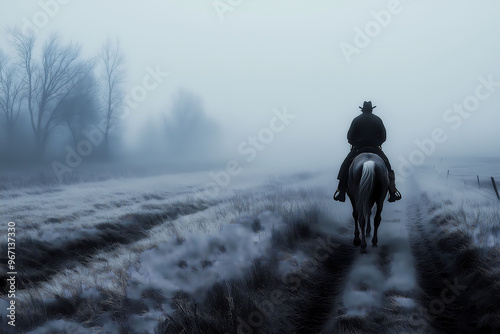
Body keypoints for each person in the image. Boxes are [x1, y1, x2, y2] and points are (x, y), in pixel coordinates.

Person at [333, 101, 401, 202]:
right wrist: (378, 142)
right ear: (371, 109)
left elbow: (349, 137)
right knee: (388, 166)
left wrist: (355, 142)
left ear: (362, 109)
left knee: (345, 166)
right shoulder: (378, 119)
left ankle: (341, 192)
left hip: (358, 148)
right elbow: (384, 137)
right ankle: (392, 191)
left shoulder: (356, 120)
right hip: (375, 148)